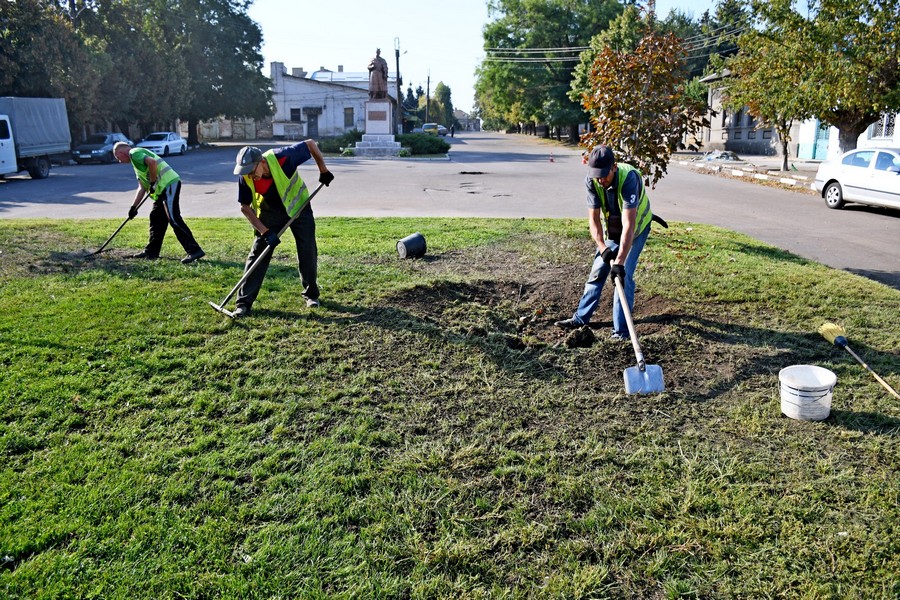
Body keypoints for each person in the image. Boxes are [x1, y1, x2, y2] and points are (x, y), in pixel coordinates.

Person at [555, 145, 658, 340]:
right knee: (597, 271)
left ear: (614, 167)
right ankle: (580, 318)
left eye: (604, 175)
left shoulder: (629, 178)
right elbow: (593, 221)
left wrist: (618, 262)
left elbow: (629, 225)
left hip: (636, 229)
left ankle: (620, 332)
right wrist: (603, 248)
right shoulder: (592, 181)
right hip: (613, 229)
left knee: (622, 276)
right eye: (597, 176)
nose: (601, 180)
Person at [230, 141, 334, 318]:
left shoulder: (283, 157)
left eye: (252, 171)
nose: (250, 176)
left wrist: (323, 170)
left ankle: (311, 295)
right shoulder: (245, 175)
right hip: (271, 212)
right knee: (258, 253)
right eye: (245, 172)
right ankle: (243, 303)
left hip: (299, 207)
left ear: (262, 162)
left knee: (307, 249)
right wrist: (265, 231)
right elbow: (245, 207)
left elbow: (310, 144)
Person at [113, 141, 205, 263]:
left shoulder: (134, 153)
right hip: (161, 191)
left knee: (173, 218)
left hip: (168, 184)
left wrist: (153, 181)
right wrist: (133, 207)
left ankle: (194, 251)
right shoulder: (136, 163)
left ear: (120, 152)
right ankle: (151, 251)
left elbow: (152, 162)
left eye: (117, 157)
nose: (119, 161)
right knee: (156, 219)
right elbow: (142, 187)